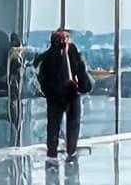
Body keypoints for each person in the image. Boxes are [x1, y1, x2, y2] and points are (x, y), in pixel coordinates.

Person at [35, 26, 92, 160]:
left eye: (66, 38)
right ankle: (52, 152)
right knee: (54, 125)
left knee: (73, 123)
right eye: (61, 39)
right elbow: (43, 76)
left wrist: (81, 85)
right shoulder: (49, 57)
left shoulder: (73, 52)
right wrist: (51, 92)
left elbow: (80, 70)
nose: (64, 41)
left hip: (72, 92)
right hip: (56, 95)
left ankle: (71, 151)